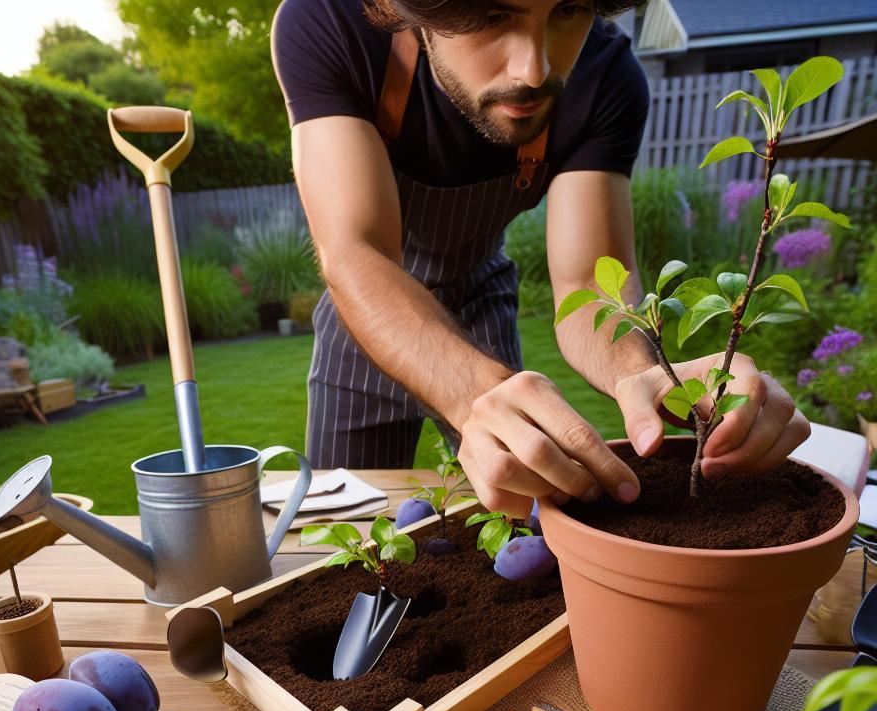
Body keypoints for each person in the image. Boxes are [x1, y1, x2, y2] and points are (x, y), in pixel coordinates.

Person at [272, 0, 809, 517]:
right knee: (345, 526)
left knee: (523, 516)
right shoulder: (328, 22)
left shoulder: (605, 77)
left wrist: (640, 372)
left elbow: (586, 282)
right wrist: (472, 393)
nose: (534, 70)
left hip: (483, 299)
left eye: (568, 10)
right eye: (491, 14)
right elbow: (357, 251)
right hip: (364, 319)